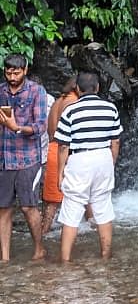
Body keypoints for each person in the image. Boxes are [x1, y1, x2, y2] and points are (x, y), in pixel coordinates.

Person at [54, 71, 123, 262]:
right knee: (103, 207)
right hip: (103, 156)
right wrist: (111, 161)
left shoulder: (71, 110)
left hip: (80, 158)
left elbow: (63, 145)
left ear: (78, 88)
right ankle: (105, 255)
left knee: (72, 208)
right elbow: (115, 140)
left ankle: (65, 260)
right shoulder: (110, 108)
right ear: (98, 88)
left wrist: (60, 173)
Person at [0, 53, 48, 262]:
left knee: (29, 206)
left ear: (25, 71)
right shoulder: (0, 91)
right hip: (3, 159)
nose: (12, 77)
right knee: (3, 208)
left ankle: (39, 249)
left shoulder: (36, 91)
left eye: (16, 73)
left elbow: (41, 127)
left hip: (28, 159)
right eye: (8, 72)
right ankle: (5, 257)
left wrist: (16, 128)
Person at [41, 77, 79, 236]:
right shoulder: (73, 102)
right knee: (85, 195)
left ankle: (43, 231)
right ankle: (93, 229)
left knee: (52, 200)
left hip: (52, 149)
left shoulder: (58, 101)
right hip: (64, 151)